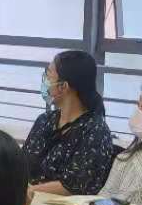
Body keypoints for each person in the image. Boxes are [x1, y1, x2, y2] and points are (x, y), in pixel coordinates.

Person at [21, 50, 116, 197]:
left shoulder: (95, 131)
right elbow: (22, 164)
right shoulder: (44, 120)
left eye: (48, 75)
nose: (45, 80)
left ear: (63, 86)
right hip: (27, 201)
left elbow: (74, 187)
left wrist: (28, 191)